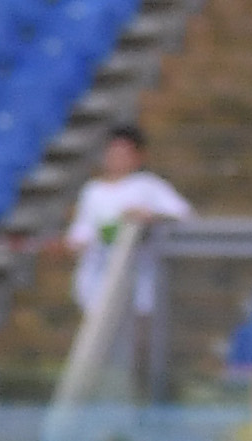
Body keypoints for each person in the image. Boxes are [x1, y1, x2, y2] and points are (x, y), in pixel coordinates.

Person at [65, 125, 190, 317]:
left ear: (138, 156)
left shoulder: (148, 185)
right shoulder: (92, 191)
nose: (117, 158)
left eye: (124, 153)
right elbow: (80, 234)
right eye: (113, 152)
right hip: (96, 286)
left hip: (138, 286)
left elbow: (183, 214)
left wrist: (150, 216)